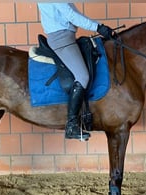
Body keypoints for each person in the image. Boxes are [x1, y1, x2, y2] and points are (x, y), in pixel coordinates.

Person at [37, 3, 115, 140]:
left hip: (66, 36)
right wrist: (98, 27)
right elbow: (71, 16)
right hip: (61, 38)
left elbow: (73, 13)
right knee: (82, 76)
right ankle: (72, 125)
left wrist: (98, 26)